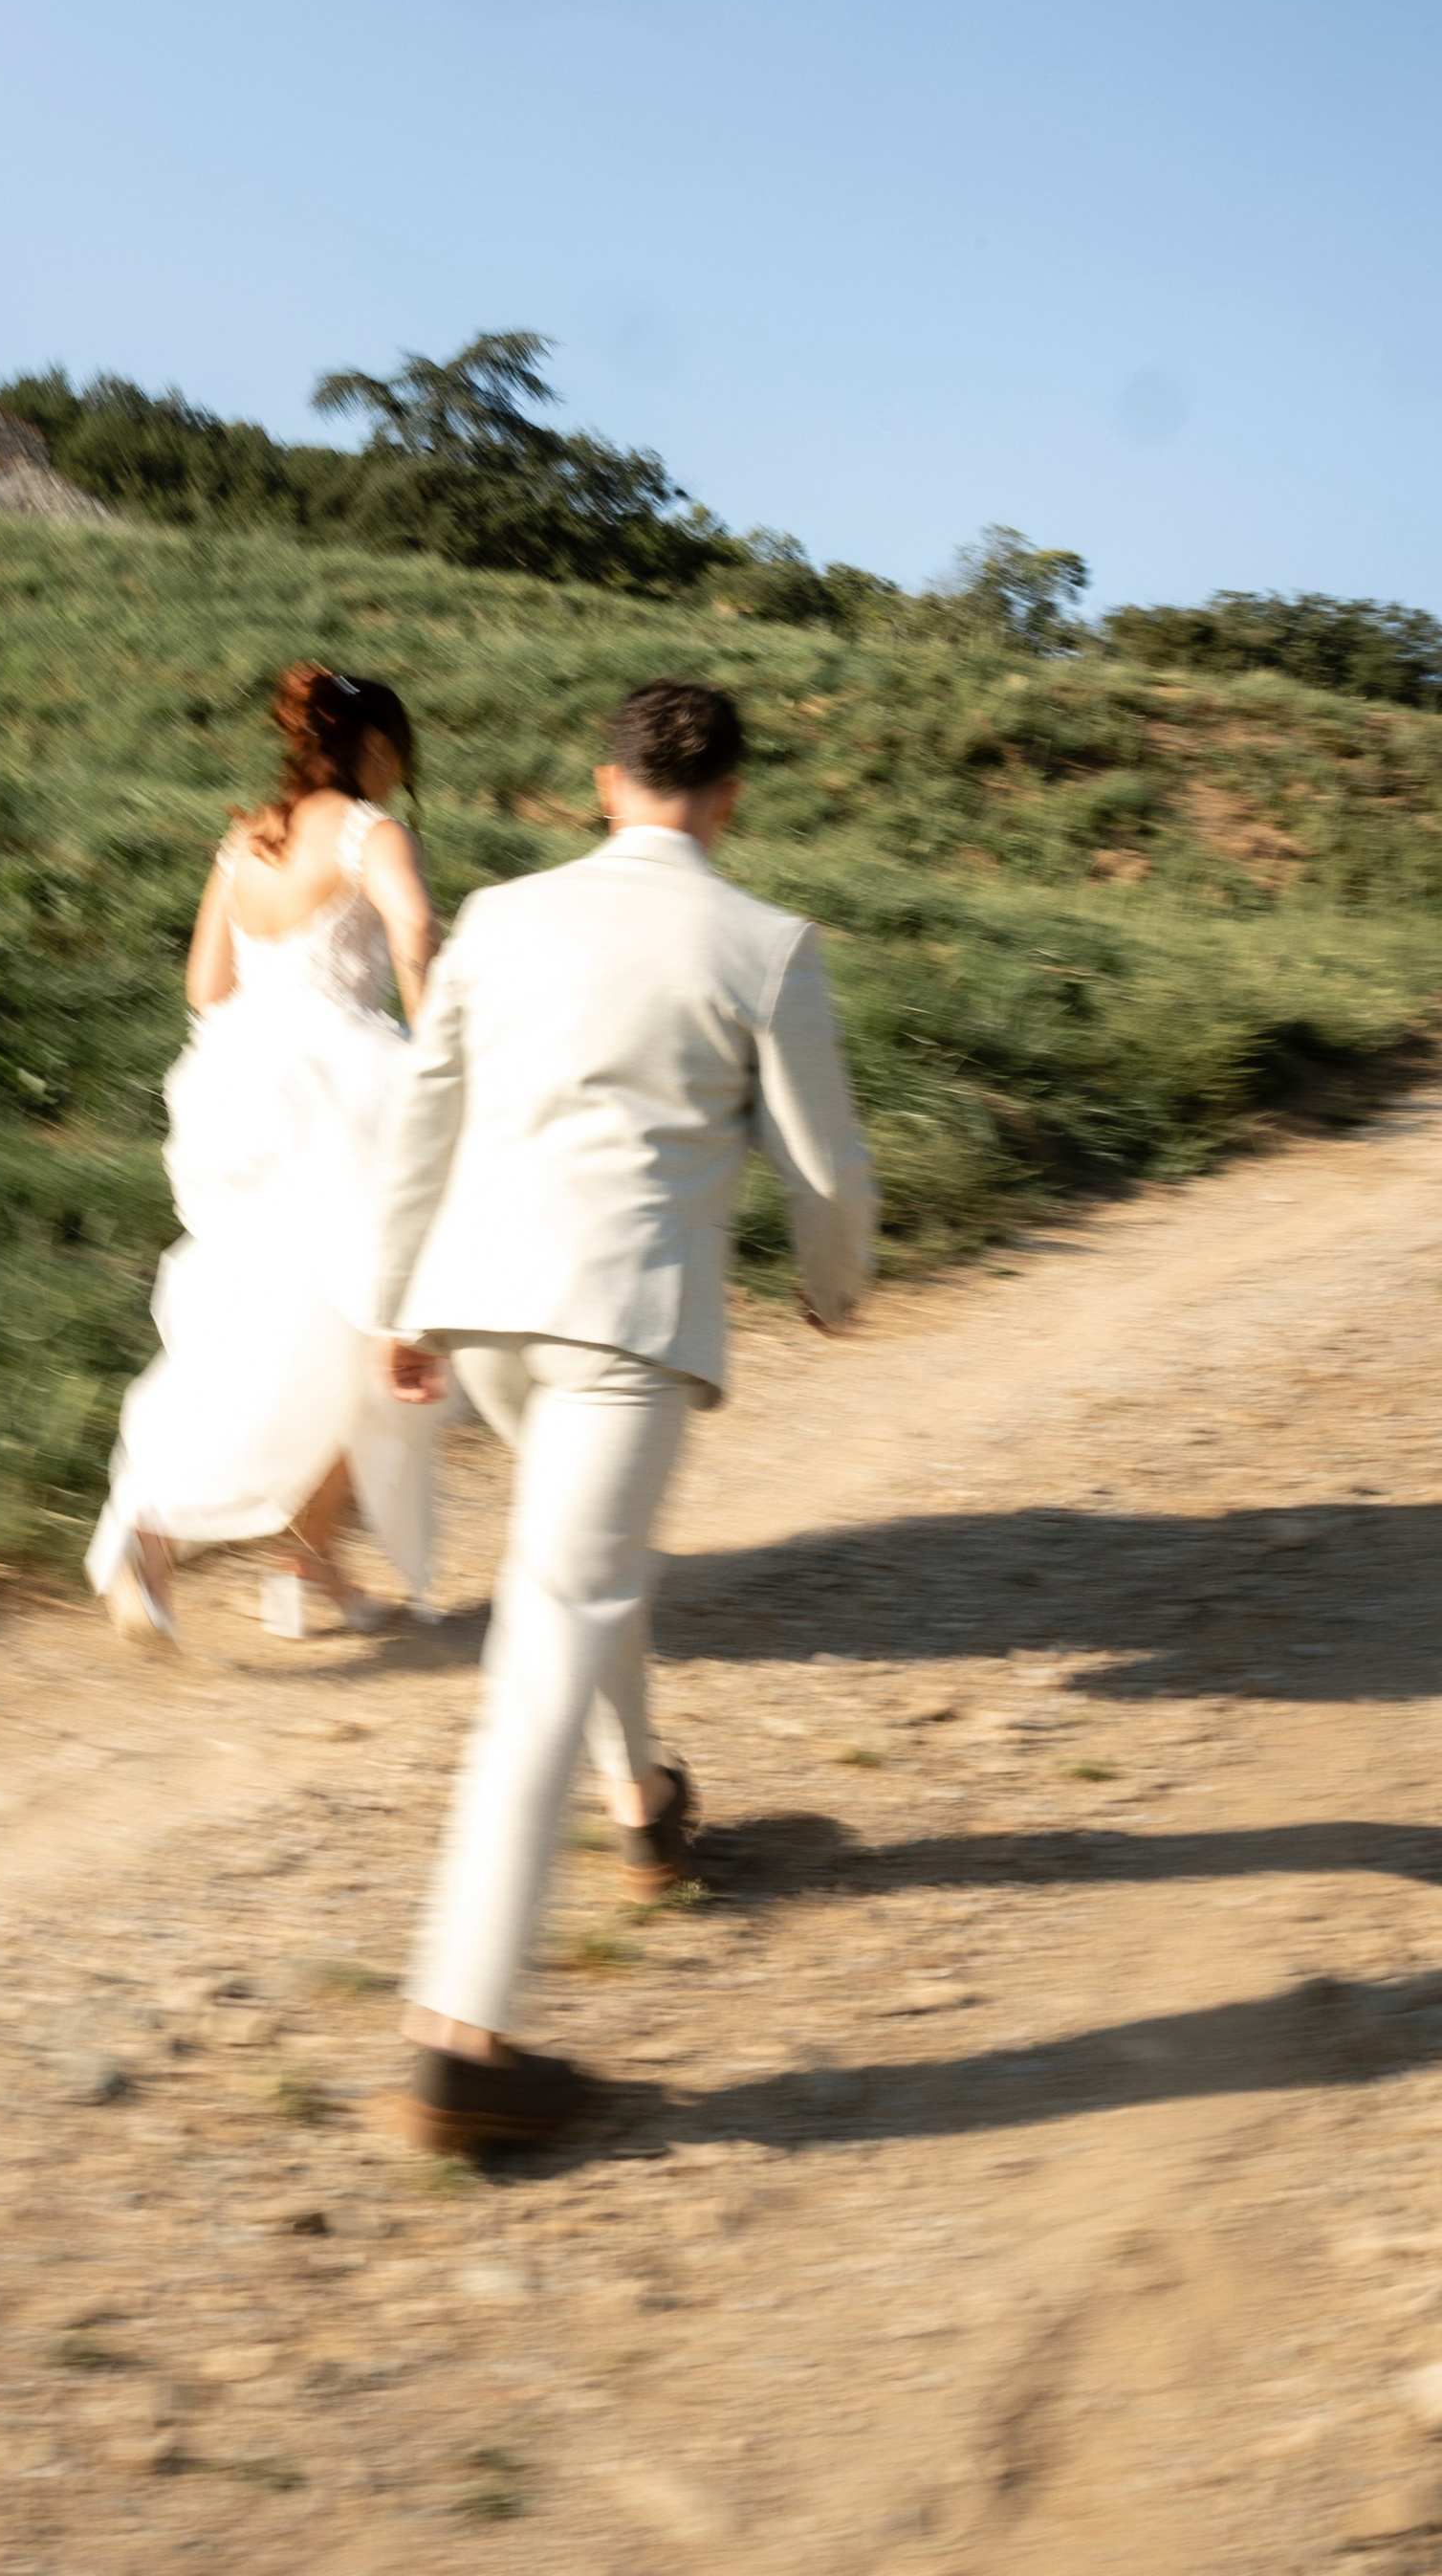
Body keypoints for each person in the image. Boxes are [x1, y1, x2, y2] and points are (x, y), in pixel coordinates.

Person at [370, 677, 877, 2156]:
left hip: (486, 1310)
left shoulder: (499, 914)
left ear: (607, 787)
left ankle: (645, 1806)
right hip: (626, 1326)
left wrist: (400, 1301)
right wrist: (836, 1286)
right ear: (728, 798)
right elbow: (828, 1171)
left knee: (576, 1577)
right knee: (552, 1628)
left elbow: (428, 1112)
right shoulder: (765, 943)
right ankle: (455, 2035)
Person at [89, 663, 444, 1647]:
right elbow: (412, 924)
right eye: (399, 750)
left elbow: (206, 985)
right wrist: (433, 1036)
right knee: (382, 1325)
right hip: (348, 1088)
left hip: (241, 1088)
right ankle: (286, 1559)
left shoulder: (246, 837)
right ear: (373, 748)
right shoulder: (373, 833)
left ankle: (204, 1544)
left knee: (262, 1325)